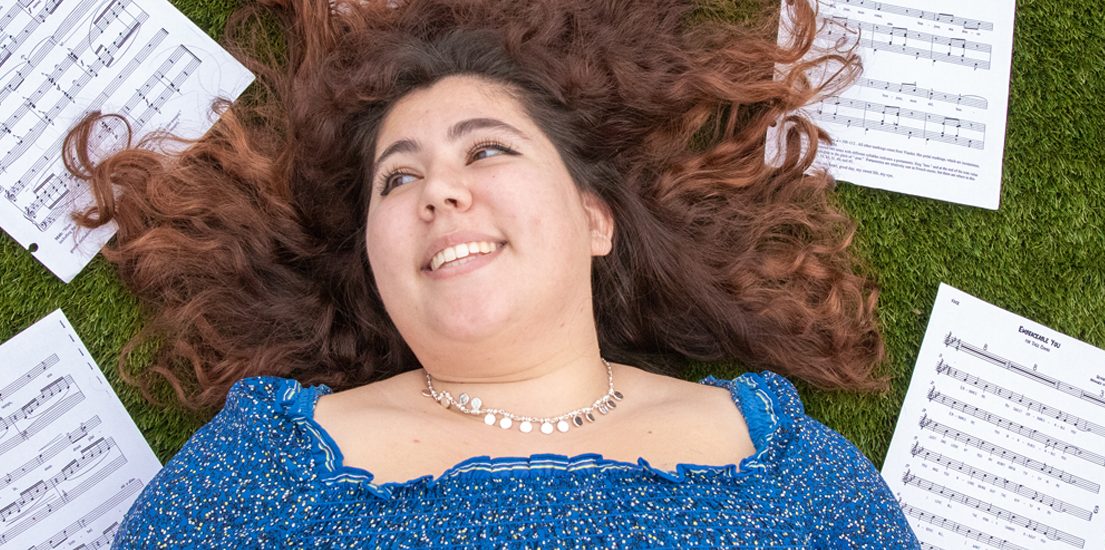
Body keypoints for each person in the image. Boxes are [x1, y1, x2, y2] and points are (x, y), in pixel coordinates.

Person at [69, 0, 919, 546]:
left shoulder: (795, 474)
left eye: (487, 149)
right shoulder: (252, 478)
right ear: (374, 257)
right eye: (397, 179)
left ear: (595, 217)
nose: (439, 189)